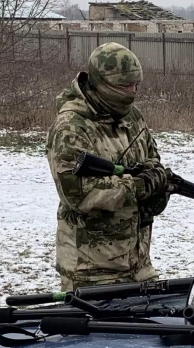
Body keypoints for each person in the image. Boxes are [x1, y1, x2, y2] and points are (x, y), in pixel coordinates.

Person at [45, 42, 172, 291]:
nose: (132, 92)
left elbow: (152, 161)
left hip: (138, 265)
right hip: (92, 270)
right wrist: (137, 186)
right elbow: (79, 194)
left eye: (136, 85)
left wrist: (158, 184)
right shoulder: (72, 127)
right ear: (102, 84)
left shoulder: (132, 118)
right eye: (125, 86)